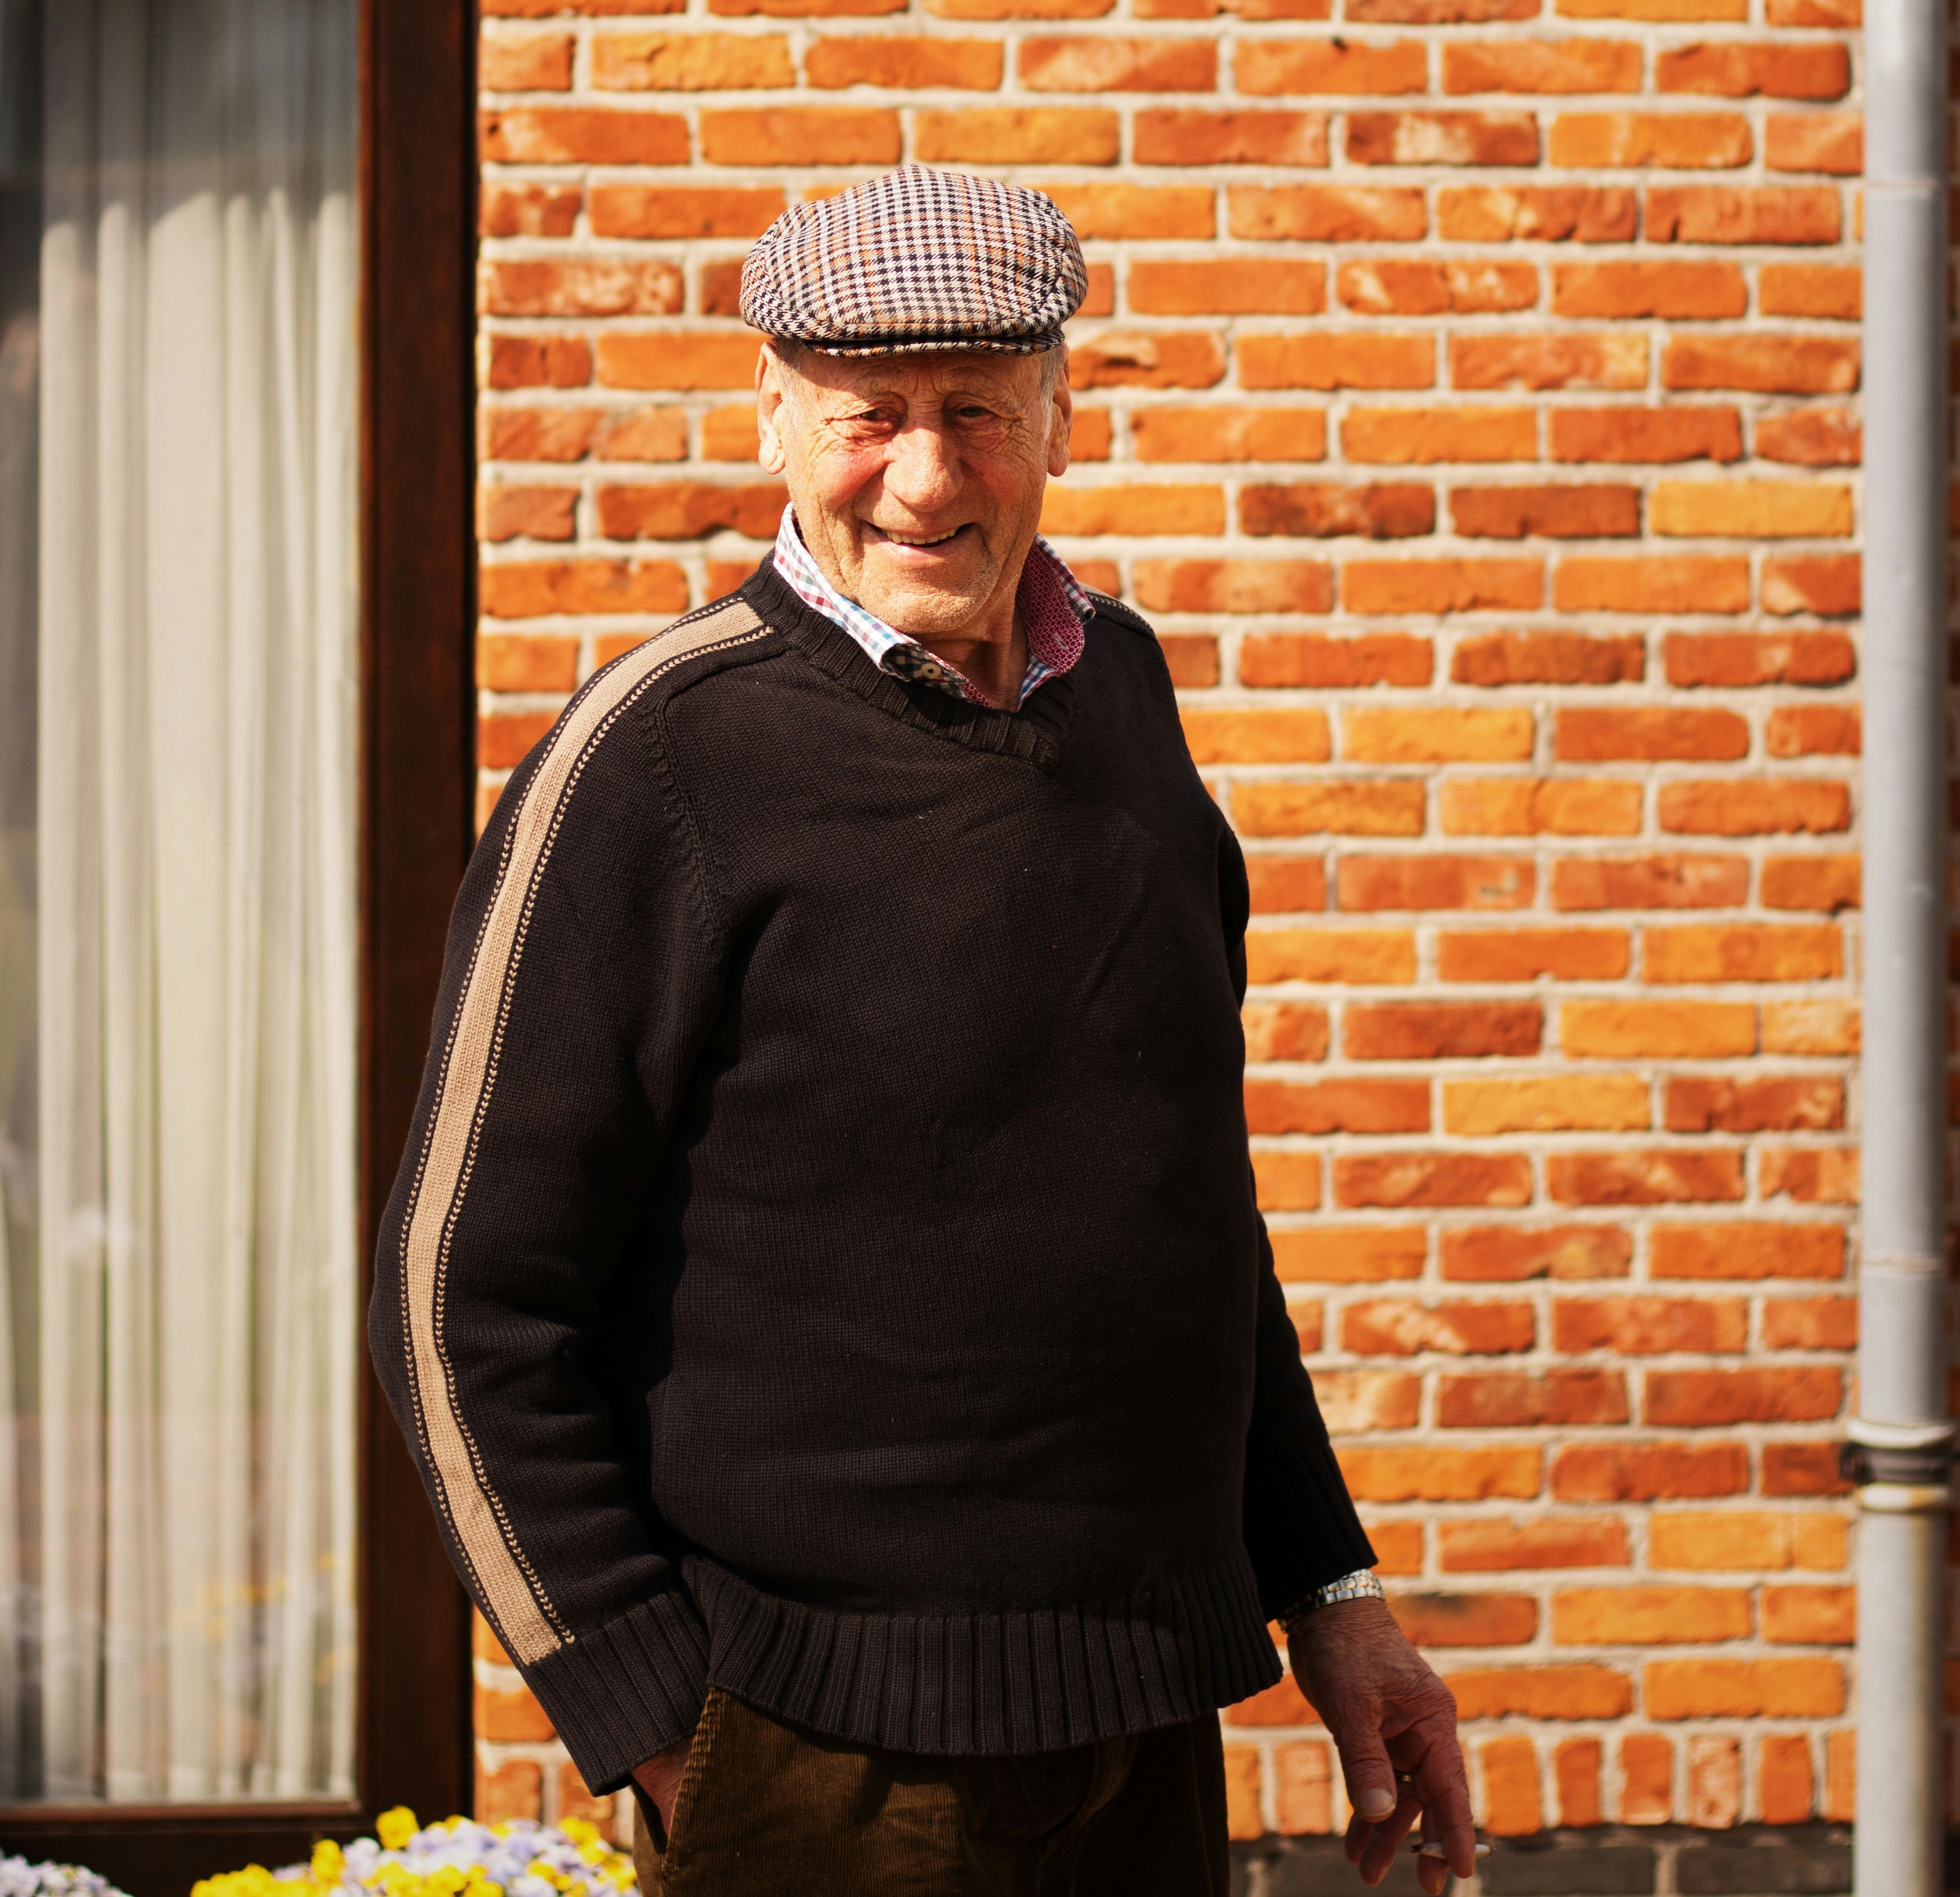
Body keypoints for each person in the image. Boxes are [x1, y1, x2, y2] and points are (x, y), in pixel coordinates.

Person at [372, 168, 1480, 1894]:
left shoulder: (1123, 690)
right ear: (773, 418)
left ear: (1061, 410)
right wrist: (656, 1721)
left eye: (976, 409)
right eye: (866, 415)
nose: (925, 473)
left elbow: (1186, 1204)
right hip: (812, 1757)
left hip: (1143, 1724)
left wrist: (1328, 1590)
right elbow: (459, 1300)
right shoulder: (656, 755)